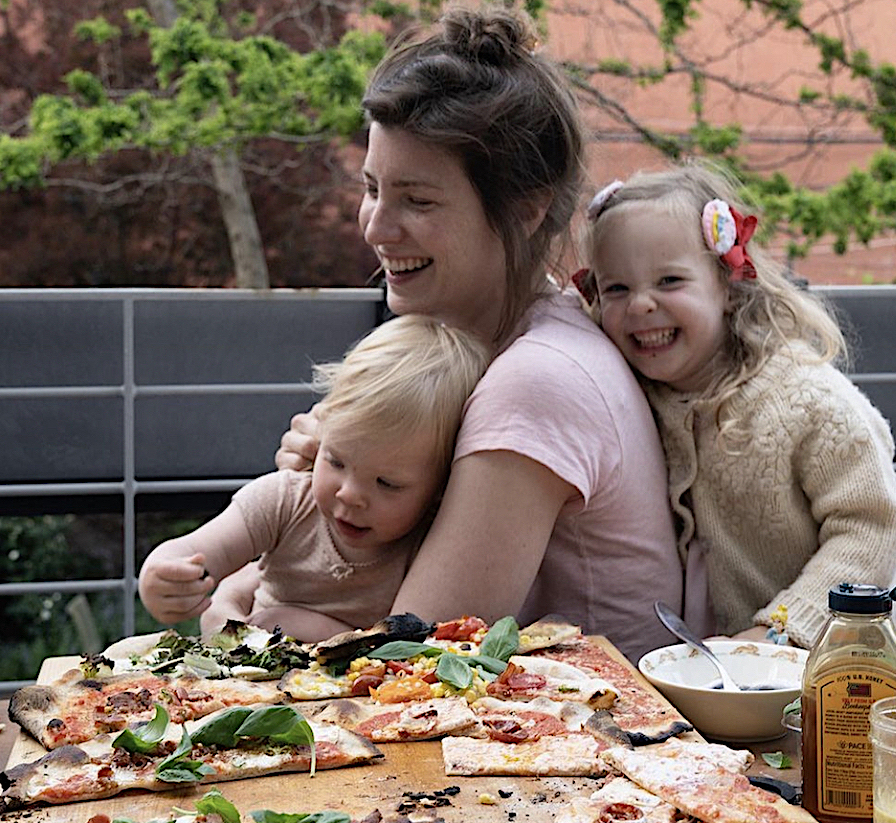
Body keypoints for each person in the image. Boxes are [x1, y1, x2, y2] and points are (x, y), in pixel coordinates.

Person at [224, 4, 685, 664]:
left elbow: (407, 655)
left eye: (418, 200)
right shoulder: (461, 352)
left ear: (524, 213)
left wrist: (254, 616)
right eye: (372, 188)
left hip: (602, 743)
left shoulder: (537, 379)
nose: (376, 227)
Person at [579, 162, 896, 649]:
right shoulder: (636, 392)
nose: (641, 305)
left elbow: (870, 528)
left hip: (846, 675)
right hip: (728, 682)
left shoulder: (808, 399)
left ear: (729, 286)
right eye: (617, 288)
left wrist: (779, 629)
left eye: (669, 280)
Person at [138, 315, 489, 642]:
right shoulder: (285, 501)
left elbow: (395, 650)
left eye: (387, 483)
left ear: (440, 491)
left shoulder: (429, 548)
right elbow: (197, 551)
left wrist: (294, 622)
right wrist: (163, 577)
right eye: (336, 460)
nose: (350, 494)